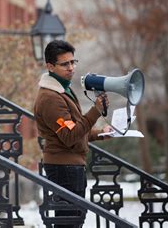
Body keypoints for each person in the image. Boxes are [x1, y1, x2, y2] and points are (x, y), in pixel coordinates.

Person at [33, 40, 112, 227]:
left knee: (73, 221)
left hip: (69, 167)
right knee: (69, 223)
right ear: (50, 66)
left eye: (72, 62)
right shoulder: (51, 98)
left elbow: (76, 130)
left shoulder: (62, 90)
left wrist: (102, 133)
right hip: (64, 168)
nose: (71, 68)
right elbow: (70, 137)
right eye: (64, 64)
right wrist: (96, 111)